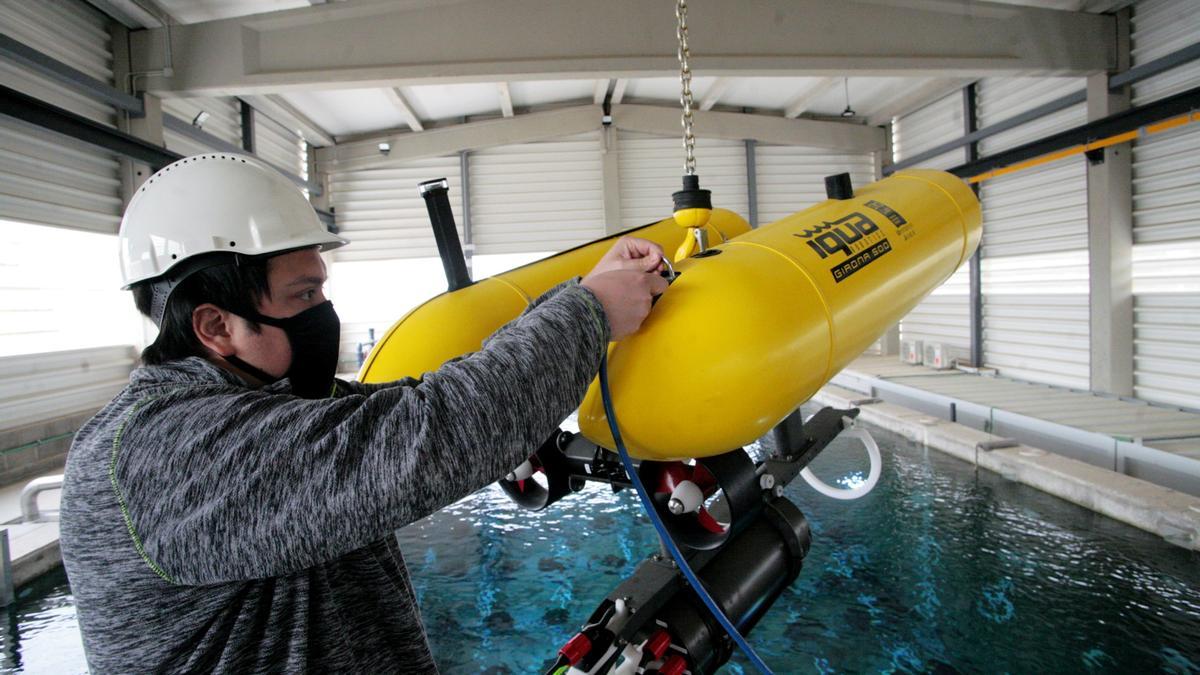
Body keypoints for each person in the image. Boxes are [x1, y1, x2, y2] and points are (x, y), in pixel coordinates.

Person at [59, 153, 669, 673]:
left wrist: (583, 295)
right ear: (216, 325)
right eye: (304, 295)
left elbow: (420, 400)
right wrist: (589, 312)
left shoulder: (263, 405)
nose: (325, 312)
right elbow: (437, 432)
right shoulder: (164, 452)